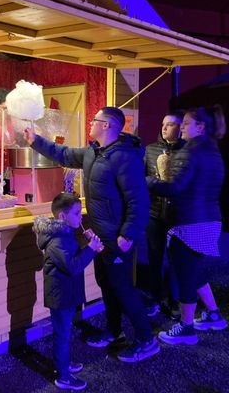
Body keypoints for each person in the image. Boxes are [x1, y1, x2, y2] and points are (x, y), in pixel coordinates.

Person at [25, 107, 159, 362]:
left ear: (107, 125)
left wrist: (128, 234)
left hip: (118, 237)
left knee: (123, 288)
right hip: (100, 237)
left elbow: (139, 200)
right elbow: (63, 154)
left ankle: (146, 339)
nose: (90, 122)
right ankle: (114, 331)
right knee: (106, 284)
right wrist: (36, 141)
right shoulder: (92, 152)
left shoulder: (125, 157)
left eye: (95, 120)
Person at [146, 105, 228, 345]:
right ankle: (214, 314)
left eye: (186, 124)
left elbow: (175, 188)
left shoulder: (191, 151)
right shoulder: (212, 149)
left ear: (200, 127)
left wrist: (149, 182)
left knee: (185, 276)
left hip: (190, 222)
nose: (182, 127)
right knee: (195, 269)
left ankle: (186, 327)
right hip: (209, 219)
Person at [32, 192, 104, 391]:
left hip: (66, 292)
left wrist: (89, 245)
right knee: (62, 335)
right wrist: (90, 248)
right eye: (76, 214)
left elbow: (72, 260)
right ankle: (63, 376)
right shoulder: (57, 240)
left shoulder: (65, 234)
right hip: (60, 295)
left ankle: (63, 365)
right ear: (62, 217)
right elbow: (72, 266)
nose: (80, 217)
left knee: (65, 332)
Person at [139, 111, 185, 319]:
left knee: (176, 259)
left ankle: (174, 299)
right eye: (163, 124)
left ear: (180, 128)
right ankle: (155, 296)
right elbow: (142, 177)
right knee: (155, 256)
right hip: (154, 212)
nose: (165, 128)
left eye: (170, 124)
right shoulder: (150, 150)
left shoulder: (187, 151)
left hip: (178, 214)